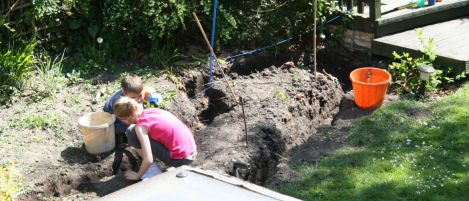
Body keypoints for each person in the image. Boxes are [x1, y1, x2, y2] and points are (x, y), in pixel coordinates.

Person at [113, 96, 197, 180]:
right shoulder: (151, 111)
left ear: (127, 119)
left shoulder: (140, 127)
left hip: (182, 160)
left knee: (131, 132)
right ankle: (176, 166)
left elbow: (148, 159)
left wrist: (137, 176)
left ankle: (153, 172)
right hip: (192, 151)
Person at [103, 75, 162, 144]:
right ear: (125, 94)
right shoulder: (121, 103)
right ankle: (118, 135)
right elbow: (125, 120)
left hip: (126, 111)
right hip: (114, 117)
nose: (139, 99)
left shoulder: (133, 95)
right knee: (124, 126)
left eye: (140, 95)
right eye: (134, 98)